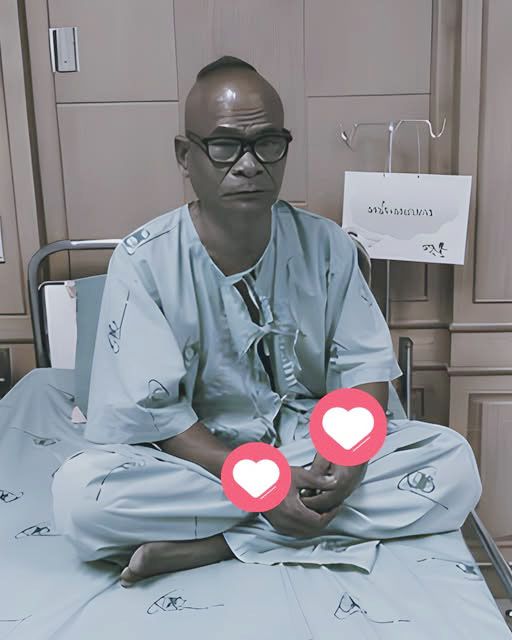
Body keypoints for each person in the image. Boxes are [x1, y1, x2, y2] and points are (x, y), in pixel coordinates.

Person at [51, 56, 481, 590]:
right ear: (185, 155)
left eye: (268, 144)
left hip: (312, 448)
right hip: (204, 461)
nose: (250, 165)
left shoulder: (328, 245)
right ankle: (285, 521)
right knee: (83, 498)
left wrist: (345, 458)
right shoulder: (143, 262)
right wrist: (261, 483)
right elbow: (159, 420)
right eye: (225, 146)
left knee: (454, 465)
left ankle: (216, 545)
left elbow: (365, 368)